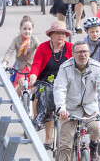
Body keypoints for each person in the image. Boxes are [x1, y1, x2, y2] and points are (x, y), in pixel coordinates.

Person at [53, 40, 100, 161]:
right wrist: (61, 108)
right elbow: (59, 89)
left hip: (90, 107)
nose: (82, 55)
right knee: (65, 144)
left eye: (85, 52)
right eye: (79, 52)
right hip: (70, 109)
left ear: (89, 53)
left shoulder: (96, 67)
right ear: (73, 54)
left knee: (96, 129)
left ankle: (93, 150)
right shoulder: (65, 68)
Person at [29, 21, 74, 149]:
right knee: (47, 103)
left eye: (63, 33)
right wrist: (33, 80)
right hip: (46, 81)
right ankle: (48, 137)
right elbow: (36, 66)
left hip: (66, 82)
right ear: (51, 35)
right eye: (58, 33)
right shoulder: (43, 47)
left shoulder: (70, 48)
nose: (61, 36)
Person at [1, 15, 40, 94]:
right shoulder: (16, 40)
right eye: (24, 29)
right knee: (22, 84)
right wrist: (4, 63)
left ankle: (33, 105)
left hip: (31, 67)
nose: (27, 31)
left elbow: (41, 50)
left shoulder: (34, 40)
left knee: (34, 88)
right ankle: (17, 104)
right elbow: (10, 51)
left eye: (29, 29)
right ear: (20, 29)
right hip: (20, 68)